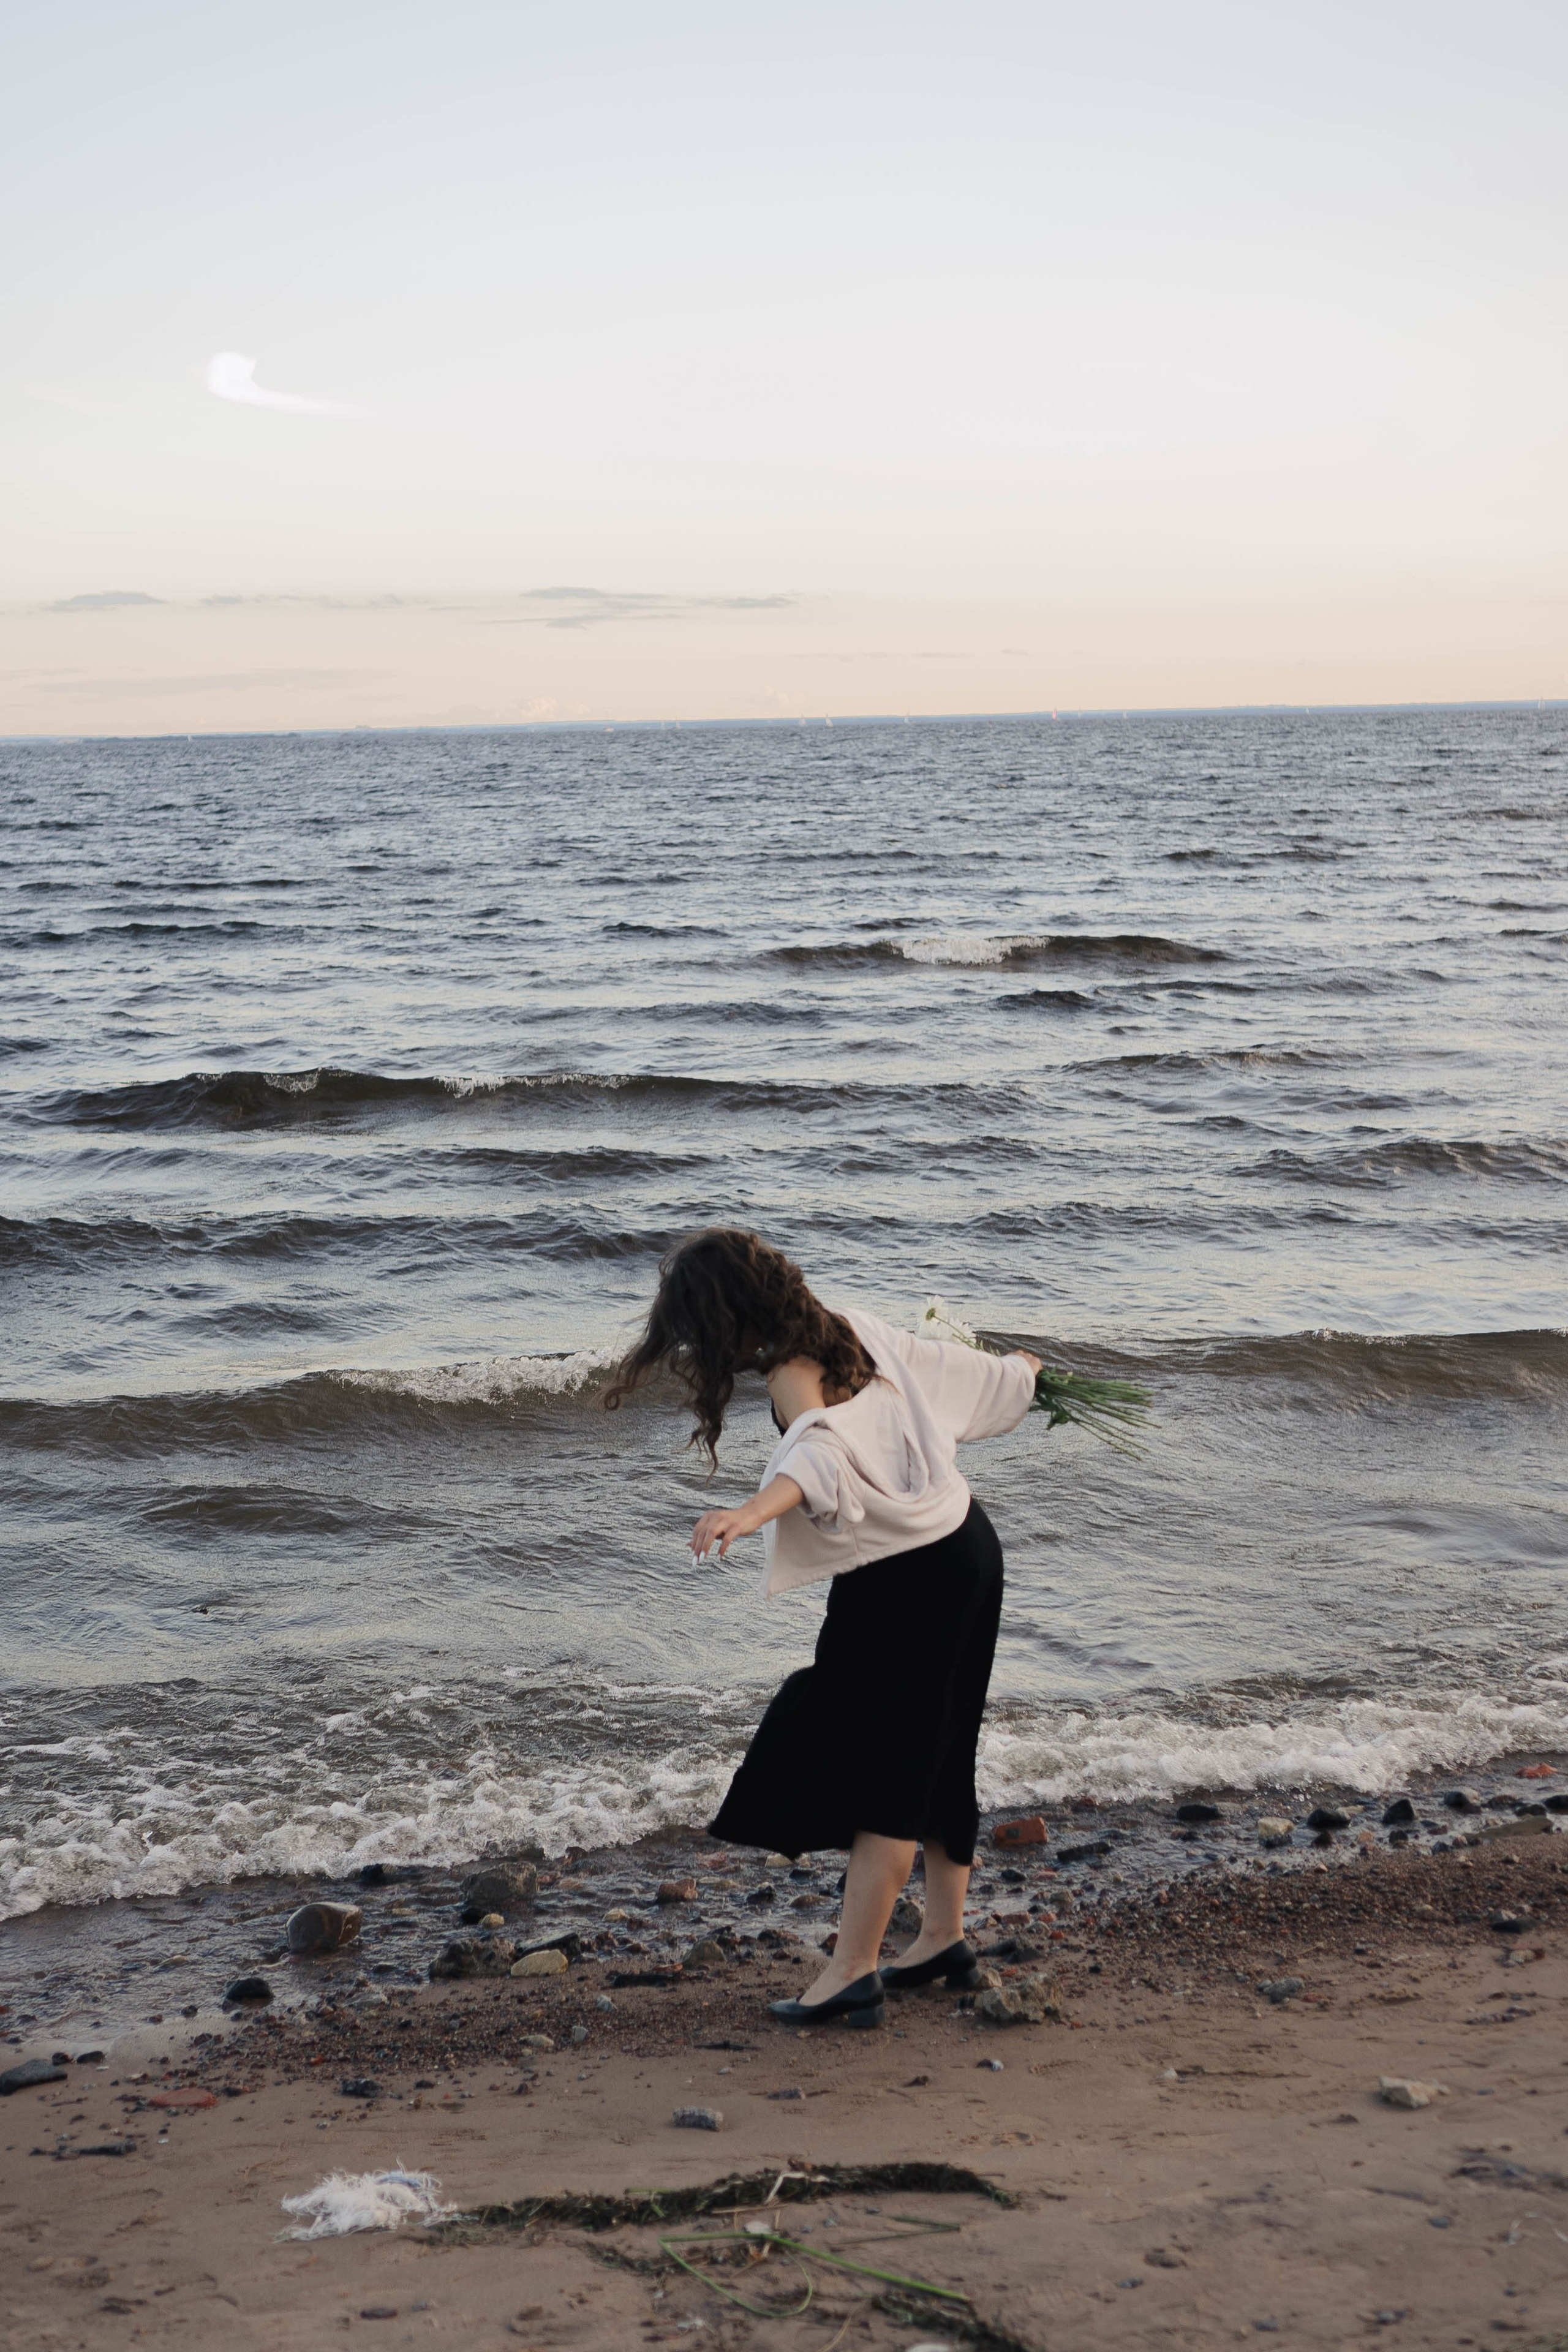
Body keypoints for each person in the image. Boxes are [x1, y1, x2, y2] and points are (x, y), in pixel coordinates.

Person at [603, 1227, 1040, 2029]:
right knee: (946, 1748)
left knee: (893, 1767)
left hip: (907, 1581)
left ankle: (851, 1972)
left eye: (701, 1327)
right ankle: (941, 1937)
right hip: (970, 1548)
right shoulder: (853, 1326)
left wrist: (749, 1510)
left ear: (729, 1314)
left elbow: (819, 1455)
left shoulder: (791, 1374)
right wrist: (1021, 1377)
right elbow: (955, 1378)